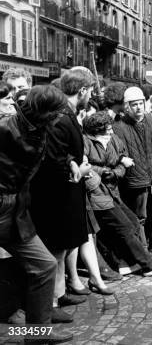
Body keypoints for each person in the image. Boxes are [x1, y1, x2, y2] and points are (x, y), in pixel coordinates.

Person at [0, 85, 74, 343]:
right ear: (44, 112)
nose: (59, 118)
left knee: (44, 266)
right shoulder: (5, 127)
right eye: (55, 113)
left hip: (15, 210)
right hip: (4, 206)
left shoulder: (37, 128)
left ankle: (37, 334)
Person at [29, 67, 95, 322]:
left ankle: (60, 292)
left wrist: (72, 162)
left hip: (64, 191)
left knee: (63, 247)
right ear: (83, 90)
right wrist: (78, 168)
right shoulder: (62, 115)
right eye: (90, 91)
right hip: (57, 194)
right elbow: (54, 157)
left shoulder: (66, 113)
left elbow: (61, 152)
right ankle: (52, 302)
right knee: (56, 247)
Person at [82, 112, 152, 277]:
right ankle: (150, 265)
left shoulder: (113, 140)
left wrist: (115, 172)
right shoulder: (86, 142)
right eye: (107, 130)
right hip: (97, 194)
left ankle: (126, 262)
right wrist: (105, 171)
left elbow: (124, 159)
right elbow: (85, 166)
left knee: (132, 222)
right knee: (123, 227)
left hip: (112, 191)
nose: (111, 132)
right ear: (97, 131)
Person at [112, 87, 152, 255]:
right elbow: (118, 152)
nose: (138, 108)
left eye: (140, 104)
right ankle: (142, 250)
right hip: (135, 178)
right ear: (127, 107)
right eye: (134, 104)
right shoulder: (119, 127)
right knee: (139, 216)